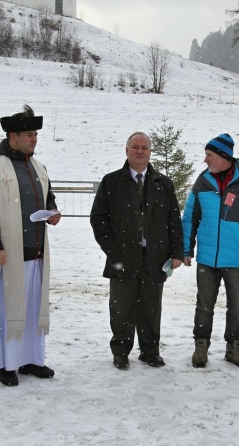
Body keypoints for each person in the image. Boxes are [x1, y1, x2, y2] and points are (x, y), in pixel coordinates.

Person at [0, 105, 61, 387]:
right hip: (8, 254)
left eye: (35, 134)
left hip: (35, 253)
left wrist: (52, 211)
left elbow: (49, 197)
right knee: (7, 311)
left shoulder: (38, 167)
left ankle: (30, 359)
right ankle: (5, 363)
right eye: (29, 134)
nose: (34, 139)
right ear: (12, 136)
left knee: (32, 308)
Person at [90, 132, 184, 370]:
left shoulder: (163, 184)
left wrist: (176, 252)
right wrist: (112, 248)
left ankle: (150, 351)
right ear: (126, 150)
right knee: (122, 307)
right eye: (135, 146)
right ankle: (121, 350)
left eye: (144, 147)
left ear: (150, 152)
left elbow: (174, 219)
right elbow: (98, 219)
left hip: (155, 257)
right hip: (122, 257)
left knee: (151, 307)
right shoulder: (111, 182)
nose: (139, 151)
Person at [182, 133, 239, 368]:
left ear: (223, 156)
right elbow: (190, 216)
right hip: (207, 258)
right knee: (204, 305)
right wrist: (186, 248)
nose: (205, 160)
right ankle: (201, 346)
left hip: (237, 258)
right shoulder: (202, 181)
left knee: (236, 306)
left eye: (209, 155)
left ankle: (234, 348)